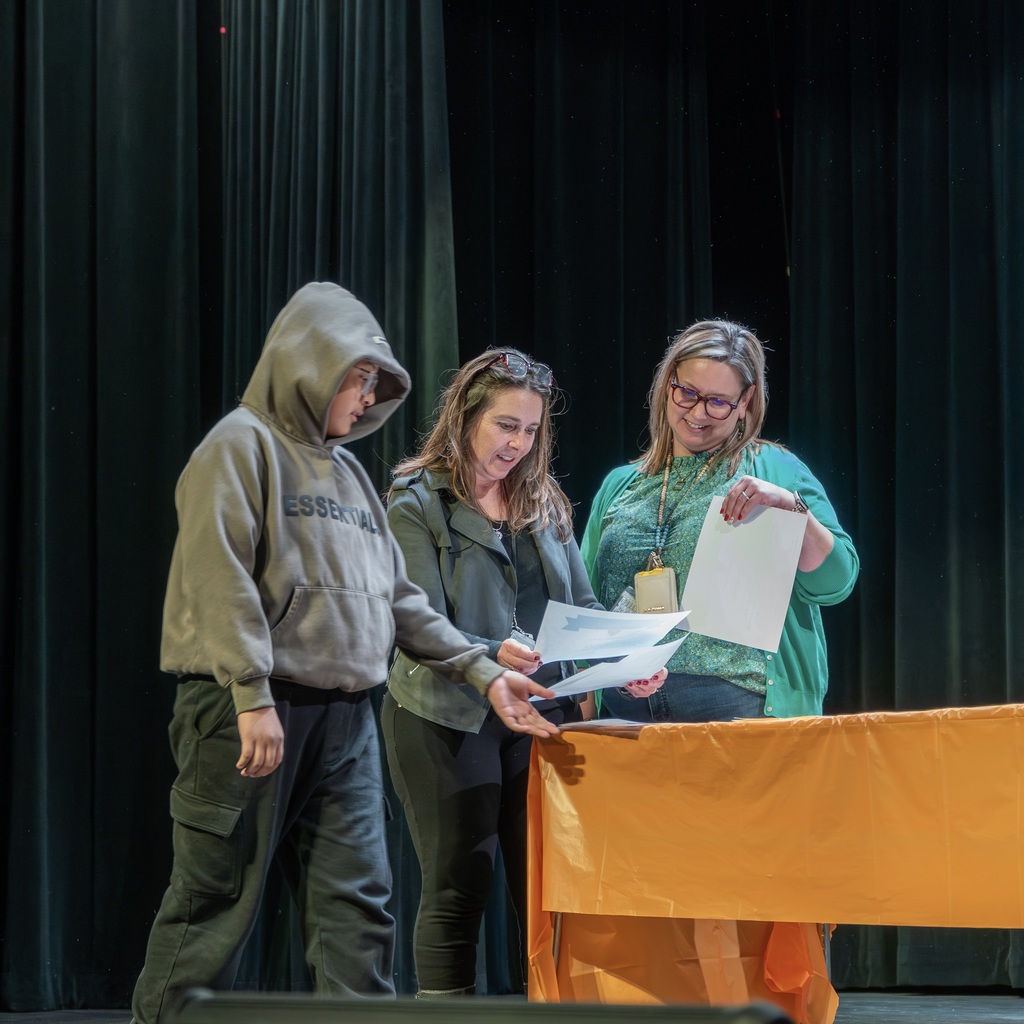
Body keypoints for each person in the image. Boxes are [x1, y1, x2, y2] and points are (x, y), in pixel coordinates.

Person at [130, 286, 559, 1024]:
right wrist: (251, 693)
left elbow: (400, 601)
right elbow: (217, 573)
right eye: (358, 380)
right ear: (309, 365)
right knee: (214, 905)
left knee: (358, 911)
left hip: (346, 718)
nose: (366, 399)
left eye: (372, 385)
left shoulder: (351, 475)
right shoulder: (240, 446)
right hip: (248, 712)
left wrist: (485, 674)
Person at [380, 349, 665, 998]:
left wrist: (625, 663)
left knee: (550, 884)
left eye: (531, 430)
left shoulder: (544, 500)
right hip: (450, 713)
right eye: (505, 425)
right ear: (466, 417)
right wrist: (491, 651)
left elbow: (582, 610)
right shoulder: (415, 501)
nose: (518, 444)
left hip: (542, 716)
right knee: (461, 878)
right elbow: (413, 620)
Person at [581, 319, 859, 723]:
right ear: (667, 385)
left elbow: (836, 583)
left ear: (745, 402)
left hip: (734, 703)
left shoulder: (775, 470)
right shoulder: (621, 485)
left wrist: (792, 509)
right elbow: (588, 599)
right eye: (687, 393)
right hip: (629, 703)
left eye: (717, 402)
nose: (697, 413)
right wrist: (591, 697)